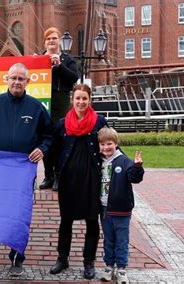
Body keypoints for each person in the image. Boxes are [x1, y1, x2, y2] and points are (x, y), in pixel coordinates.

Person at [0, 63, 53, 277]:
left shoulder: (36, 108)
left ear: (28, 82)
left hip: (22, 172)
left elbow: (49, 135)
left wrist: (42, 148)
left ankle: (17, 258)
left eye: (21, 79)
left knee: (18, 214)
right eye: (13, 78)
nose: (17, 82)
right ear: (6, 79)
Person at [49, 84, 108, 279]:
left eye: (85, 98)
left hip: (92, 179)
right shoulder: (62, 124)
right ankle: (62, 258)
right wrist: (52, 175)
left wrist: (127, 167)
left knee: (92, 221)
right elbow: (53, 152)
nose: (81, 102)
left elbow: (110, 146)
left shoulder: (99, 122)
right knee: (66, 220)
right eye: (78, 98)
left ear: (90, 100)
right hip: (69, 179)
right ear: (72, 100)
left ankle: (88, 262)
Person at [97, 127, 144, 283]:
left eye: (109, 143)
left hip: (121, 210)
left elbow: (134, 178)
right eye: (102, 144)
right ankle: (109, 266)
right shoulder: (99, 161)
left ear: (116, 144)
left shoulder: (124, 161)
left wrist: (137, 167)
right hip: (104, 209)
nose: (106, 147)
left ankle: (122, 268)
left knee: (122, 240)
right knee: (108, 240)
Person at [38, 27, 79, 191]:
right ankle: (48, 175)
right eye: (48, 39)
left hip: (60, 100)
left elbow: (73, 78)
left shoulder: (67, 59)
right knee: (44, 138)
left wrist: (59, 65)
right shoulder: (39, 59)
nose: (51, 41)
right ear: (44, 42)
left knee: (59, 138)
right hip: (42, 100)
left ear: (59, 40)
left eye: (54, 38)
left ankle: (58, 175)